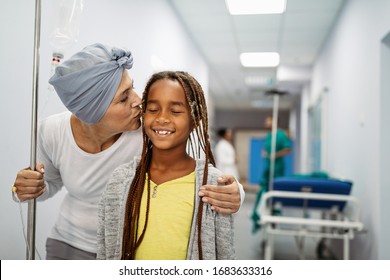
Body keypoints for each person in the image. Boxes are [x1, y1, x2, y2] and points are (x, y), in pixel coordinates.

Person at [11, 43, 243, 260]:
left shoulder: (149, 131)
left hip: (124, 248)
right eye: (124, 98)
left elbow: (195, 171)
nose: (138, 100)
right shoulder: (52, 131)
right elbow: (48, 185)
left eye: (131, 87)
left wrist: (235, 192)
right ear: (93, 112)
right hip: (69, 243)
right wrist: (29, 187)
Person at [97, 71, 235, 260]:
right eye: (153, 110)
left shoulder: (211, 186)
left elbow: (225, 255)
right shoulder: (120, 180)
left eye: (176, 111)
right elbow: (105, 250)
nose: (162, 118)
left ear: (195, 120)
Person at [251, 116, 292, 233]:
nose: (266, 123)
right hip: (268, 166)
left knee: (274, 189)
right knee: (264, 189)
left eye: (268, 120)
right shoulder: (269, 135)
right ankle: (262, 212)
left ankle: (274, 212)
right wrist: (264, 152)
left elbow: (288, 149)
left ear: (274, 121)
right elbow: (266, 148)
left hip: (277, 167)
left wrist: (275, 155)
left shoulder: (280, 134)